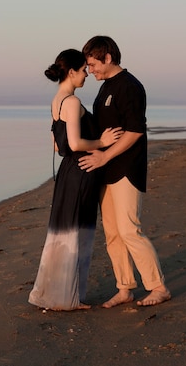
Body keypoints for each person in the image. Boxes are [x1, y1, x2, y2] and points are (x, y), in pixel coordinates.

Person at [78, 36, 171, 307]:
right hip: (105, 171)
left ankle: (157, 287)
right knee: (113, 235)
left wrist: (105, 154)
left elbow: (135, 131)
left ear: (107, 57)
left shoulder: (130, 86)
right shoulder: (105, 87)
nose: (90, 70)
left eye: (93, 64)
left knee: (130, 231)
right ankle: (124, 288)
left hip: (126, 169)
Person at [28, 49, 123, 311]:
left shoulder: (56, 101)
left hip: (68, 171)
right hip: (82, 171)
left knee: (62, 232)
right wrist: (102, 142)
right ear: (71, 72)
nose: (86, 75)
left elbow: (58, 147)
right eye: (83, 70)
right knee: (77, 232)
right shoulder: (71, 101)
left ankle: (57, 293)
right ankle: (69, 298)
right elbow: (74, 143)